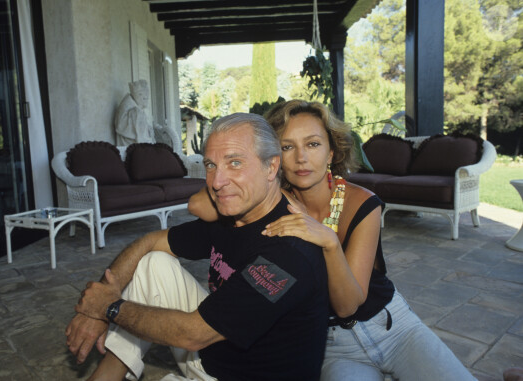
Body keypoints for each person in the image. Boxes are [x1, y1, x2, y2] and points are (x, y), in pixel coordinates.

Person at [189, 100, 476, 381]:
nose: (301, 158)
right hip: (333, 347)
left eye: (313, 144)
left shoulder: (362, 202)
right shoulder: (273, 201)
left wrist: (328, 241)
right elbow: (198, 205)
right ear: (273, 160)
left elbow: (348, 303)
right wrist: (245, 180)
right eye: (287, 147)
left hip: (393, 328)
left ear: (330, 152)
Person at [66, 112, 330, 381]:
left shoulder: (289, 250)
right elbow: (150, 241)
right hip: (210, 356)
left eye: (235, 163)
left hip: (240, 370)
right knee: (153, 262)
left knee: (187, 325)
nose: (217, 182)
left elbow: (193, 334)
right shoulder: (233, 215)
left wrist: (110, 307)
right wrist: (101, 300)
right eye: (211, 165)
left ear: (271, 167)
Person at [114, 80, 156, 146]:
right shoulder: (135, 113)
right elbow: (142, 140)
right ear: (138, 95)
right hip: (133, 149)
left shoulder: (134, 109)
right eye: (144, 97)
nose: (147, 98)